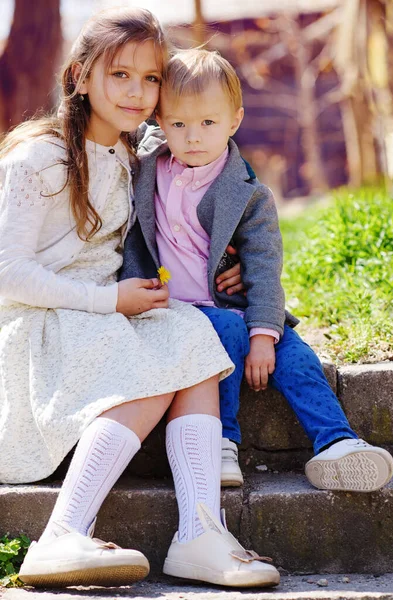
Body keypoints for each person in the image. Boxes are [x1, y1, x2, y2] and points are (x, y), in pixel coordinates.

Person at [0, 10, 281, 589]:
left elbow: (200, 204)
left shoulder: (140, 158)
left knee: (191, 333)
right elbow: (8, 274)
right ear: (80, 76)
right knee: (155, 363)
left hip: (103, 314)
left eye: (151, 78)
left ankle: (200, 533)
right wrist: (109, 304)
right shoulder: (38, 158)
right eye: (119, 74)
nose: (137, 91)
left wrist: (229, 268)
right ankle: (61, 535)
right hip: (35, 328)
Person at [121, 48, 393, 492]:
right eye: (179, 123)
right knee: (226, 333)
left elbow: (266, 269)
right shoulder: (148, 165)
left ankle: (338, 442)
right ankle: (222, 443)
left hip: (239, 304)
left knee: (295, 354)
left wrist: (264, 336)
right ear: (160, 121)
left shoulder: (248, 194)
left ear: (235, 120)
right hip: (178, 311)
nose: (192, 136)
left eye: (208, 123)